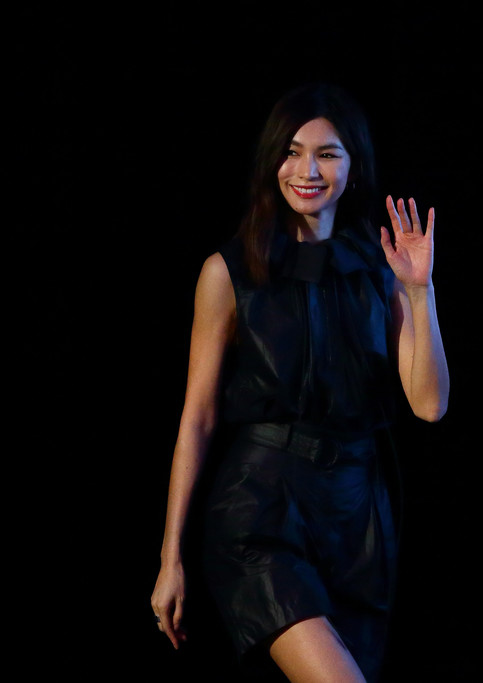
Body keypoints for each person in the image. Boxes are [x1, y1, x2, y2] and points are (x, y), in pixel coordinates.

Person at [150, 82, 449, 683]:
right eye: (291, 152)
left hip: (357, 522)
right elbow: (198, 417)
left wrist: (419, 291)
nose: (307, 171)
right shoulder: (229, 271)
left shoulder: (380, 271)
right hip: (260, 510)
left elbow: (429, 404)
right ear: (273, 162)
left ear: (353, 166)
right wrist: (169, 555)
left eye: (327, 154)